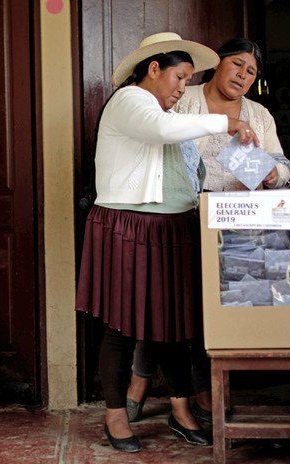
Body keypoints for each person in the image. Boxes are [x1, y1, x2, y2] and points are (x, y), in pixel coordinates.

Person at [75, 31, 258, 453]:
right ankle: (115, 414)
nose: (182, 87)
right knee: (122, 326)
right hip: (129, 225)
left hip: (173, 226)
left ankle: (180, 410)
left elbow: (184, 164)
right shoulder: (130, 102)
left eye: (188, 78)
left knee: (173, 326)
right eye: (179, 76)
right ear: (154, 68)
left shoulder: (166, 114)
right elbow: (159, 129)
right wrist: (226, 120)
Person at [125, 37, 290, 426]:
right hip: (180, 215)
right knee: (165, 301)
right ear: (217, 64)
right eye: (236, 64)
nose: (243, 75)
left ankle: (200, 389)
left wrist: (272, 174)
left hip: (236, 226)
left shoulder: (259, 115)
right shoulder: (185, 99)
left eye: (251, 71)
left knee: (214, 309)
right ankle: (141, 380)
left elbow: (282, 168)